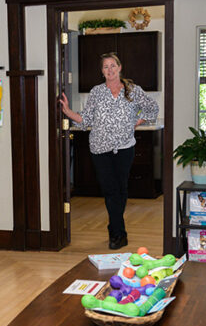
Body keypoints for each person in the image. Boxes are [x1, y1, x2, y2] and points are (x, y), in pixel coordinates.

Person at [59, 52, 159, 250]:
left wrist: (137, 121)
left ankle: (115, 227)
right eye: (106, 67)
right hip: (100, 148)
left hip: (124, 148)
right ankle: (118, 233)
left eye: (113, 66)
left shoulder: (132, 89)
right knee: (110, 190)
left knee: (121, 190)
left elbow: (152, 109)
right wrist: (68, 112)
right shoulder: (97, 92)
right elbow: (86, 119)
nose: (110, 70)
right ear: (102, 71)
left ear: (120, 68)